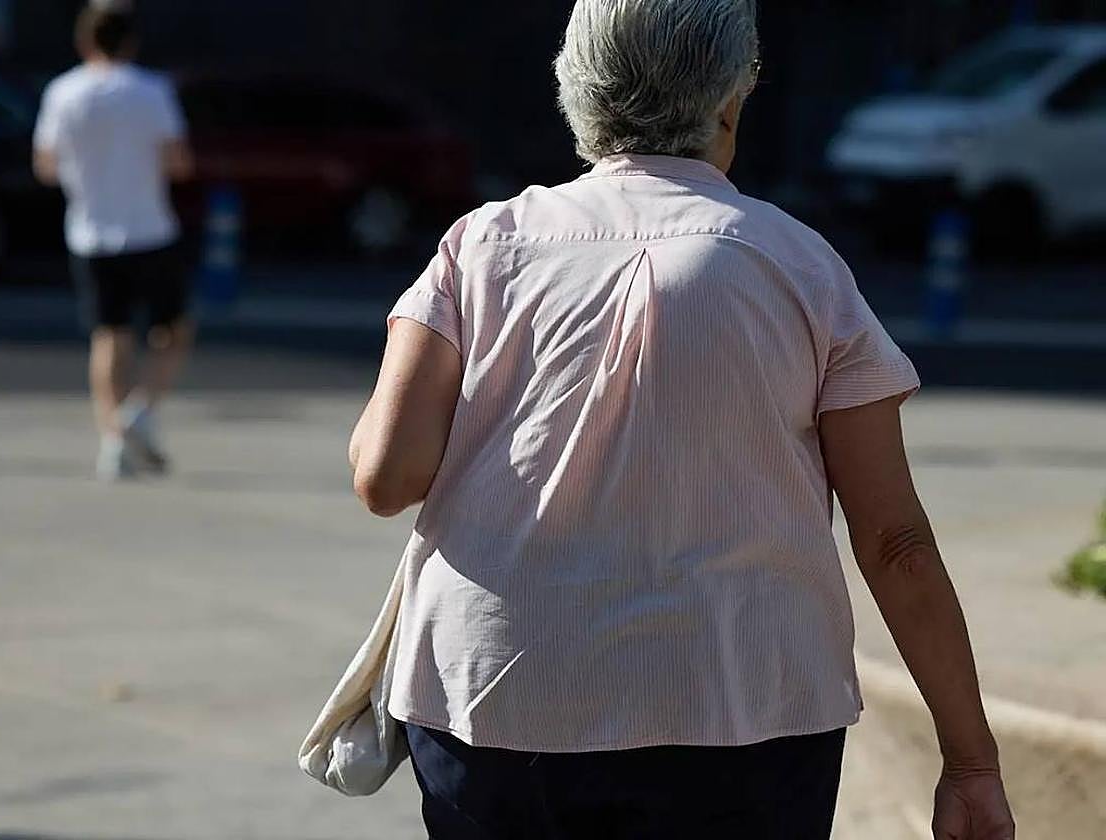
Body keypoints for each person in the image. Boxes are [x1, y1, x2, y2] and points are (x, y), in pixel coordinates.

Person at [348, 1, 1015, 838]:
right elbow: (895, 544)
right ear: (731, 100)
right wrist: (971, 763)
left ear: (575, 91)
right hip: (742, 709)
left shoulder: (482, 244)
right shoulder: (799, 263)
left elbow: (384, 476)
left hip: (497, 696)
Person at [33, 0, 195, 481]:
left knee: (110, 337)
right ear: (131, 41)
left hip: (89, 231)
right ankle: (137, 415)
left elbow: (45, 165)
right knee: (174, 330)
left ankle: (113, 441)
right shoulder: (151, 91)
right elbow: (179, 162)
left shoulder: (62, 93)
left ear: (84, 41)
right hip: (150, 228)